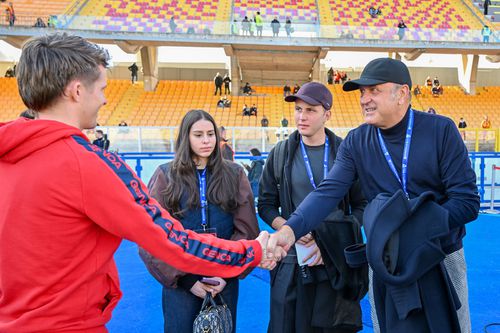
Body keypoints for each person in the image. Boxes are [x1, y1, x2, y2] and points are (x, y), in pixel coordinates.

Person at [0, 32, 276, 333]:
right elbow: (169, 239)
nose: (105, 99)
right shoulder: (88, 165)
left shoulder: (8, 155)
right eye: (101, 88)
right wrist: (251, 252)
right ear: (77, 91)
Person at [267, 58, 479, 333]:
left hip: (441, 255)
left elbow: (466, 202)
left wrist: (412, 230)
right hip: (385, 260)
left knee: (452, 328)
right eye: (362, 92)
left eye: (374, 90)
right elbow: (327, 193)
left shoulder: (441, 131)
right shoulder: (357, 141)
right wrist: (290, 231)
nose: (364, 99)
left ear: (402, 93)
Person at [258, 82, 367, 333]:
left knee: (333, 327)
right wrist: (291, 230)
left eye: (310, 110)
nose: (301, 116)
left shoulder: (345, 152)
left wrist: (333, 237)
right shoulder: (281, 153)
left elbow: (362, 205)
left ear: (327, 115)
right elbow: (265, 205)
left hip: (335, 260)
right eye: (298, 109)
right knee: (286, 325)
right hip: (293, 257)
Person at [141, 110, 260, 333]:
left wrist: (225, 273)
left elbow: (247, 229)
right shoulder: (165, 175)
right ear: (186, 137)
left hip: (224, 279)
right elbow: (151, 235)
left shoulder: (234, 174)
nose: (206, 141)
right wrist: (186, 281)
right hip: (181, 283)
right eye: (198, 135)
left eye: (210, 134)